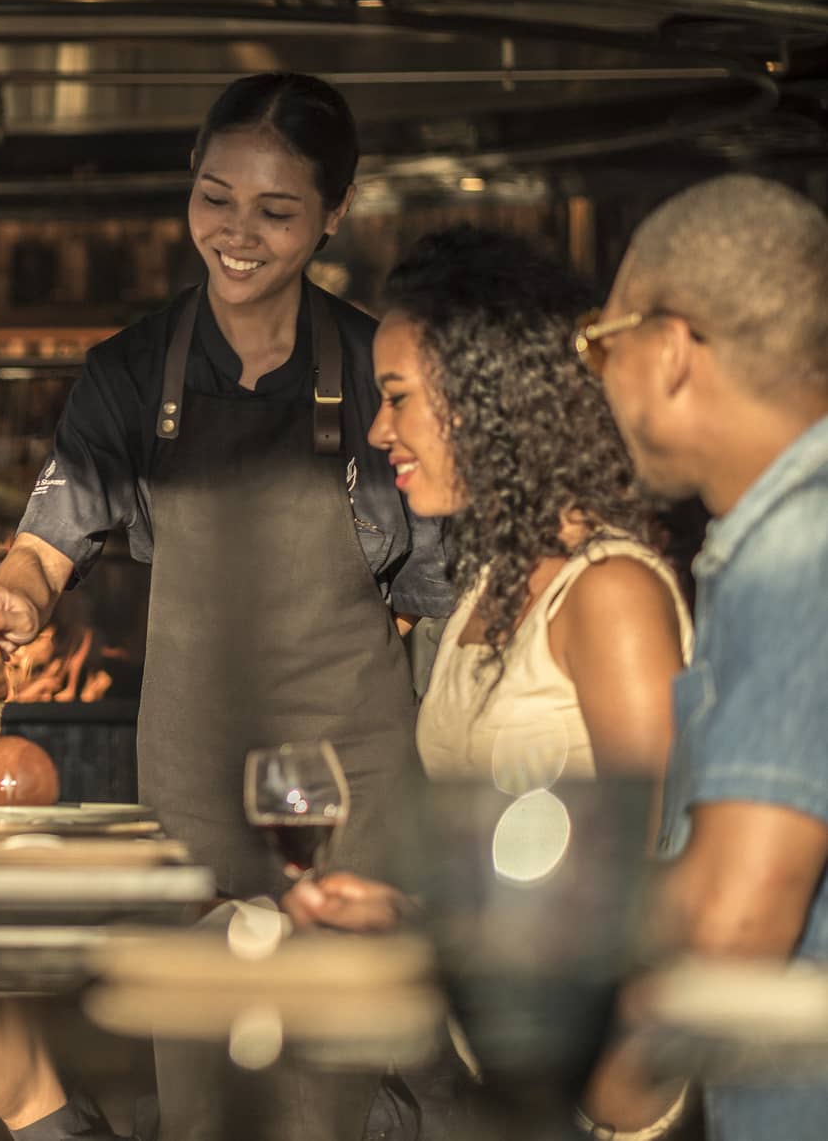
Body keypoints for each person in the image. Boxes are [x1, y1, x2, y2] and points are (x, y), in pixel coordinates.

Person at [0, 73, 453, 1141]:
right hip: (188, 790)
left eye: (276, 211)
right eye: (215, 198)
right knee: (201, 1090)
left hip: (348, 797)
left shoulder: (381, 373)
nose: (237, 233)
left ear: (335, 211)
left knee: (342, 1085)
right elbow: (49, 543)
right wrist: (13, 594)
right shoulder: (133, 373)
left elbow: (438, 594)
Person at [283, 227, 693, 1138]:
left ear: (485, 401)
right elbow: (537, 881)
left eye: (397, 399)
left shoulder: (609, 594)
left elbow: (663, 881)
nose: (379, 431)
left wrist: (611, 1105)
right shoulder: (487, 589)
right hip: (511, 1091)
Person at [588, 174, 828, 1141]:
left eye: (600, 345)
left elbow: (737, 916)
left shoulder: (797, 550)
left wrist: (605, 1102)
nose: (597, 377)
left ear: (673, 349)